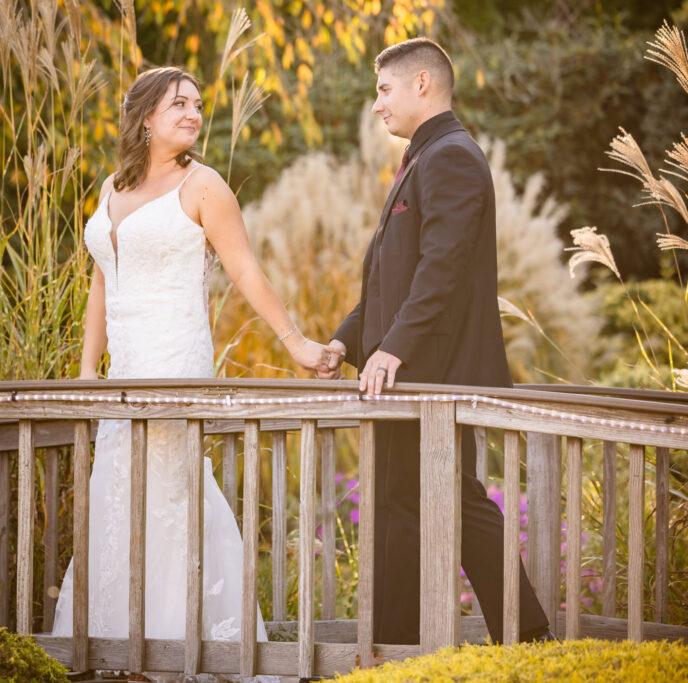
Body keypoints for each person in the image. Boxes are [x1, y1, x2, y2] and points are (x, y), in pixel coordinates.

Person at [51, 66, 333, 679]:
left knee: (172, 501)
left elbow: (246, 272)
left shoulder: (204, 186)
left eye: (198, 105)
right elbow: (102, 280)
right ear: (145, 116)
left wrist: (298, 344)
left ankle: (181, 652)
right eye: (179, 104)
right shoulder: (110, 189)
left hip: (175, 362)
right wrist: (85, 371)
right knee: (116, 495)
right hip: (120, 373)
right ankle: (113, 650)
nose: (193, 113)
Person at [318, 37, 553, 644]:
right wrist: (347, 343)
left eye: (384, 90)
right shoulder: (424, 157)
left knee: (444, 501)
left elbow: (441, 268)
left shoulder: (451, 155)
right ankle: (406, 641)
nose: (377, 106)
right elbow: (389, 277)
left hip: (431, 373)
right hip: (407, 371)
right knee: (410, 502)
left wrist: (393, 348)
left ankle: (516, 638)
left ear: (422, 83)